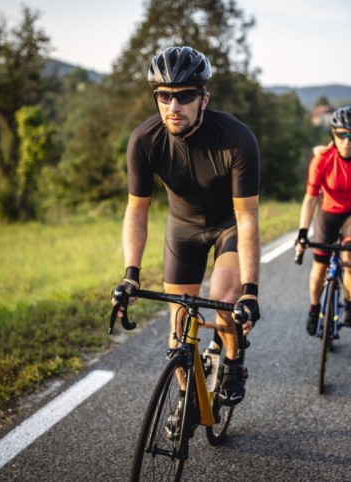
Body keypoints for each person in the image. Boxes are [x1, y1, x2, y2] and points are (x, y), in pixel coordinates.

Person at [112, 46, 261, 406]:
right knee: (178, 327)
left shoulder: (237, 139)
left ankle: (233, 361)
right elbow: (137, 210)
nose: (173, 106)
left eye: (184, 96)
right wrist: (131, 274)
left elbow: (247, 218)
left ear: (203, 98)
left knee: (224, 301)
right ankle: (184, 398)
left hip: (228, 225)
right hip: (183, 229)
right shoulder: (144, 141)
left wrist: (251, 291)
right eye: (163, 96)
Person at [294, 106, 351, 335]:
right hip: (328, 212)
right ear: (333, 134)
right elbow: (311, 198)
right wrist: (302, 233)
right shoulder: (321, 160)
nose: (347, 141)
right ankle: (314, 308)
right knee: (319, 266)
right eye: (341, 134)